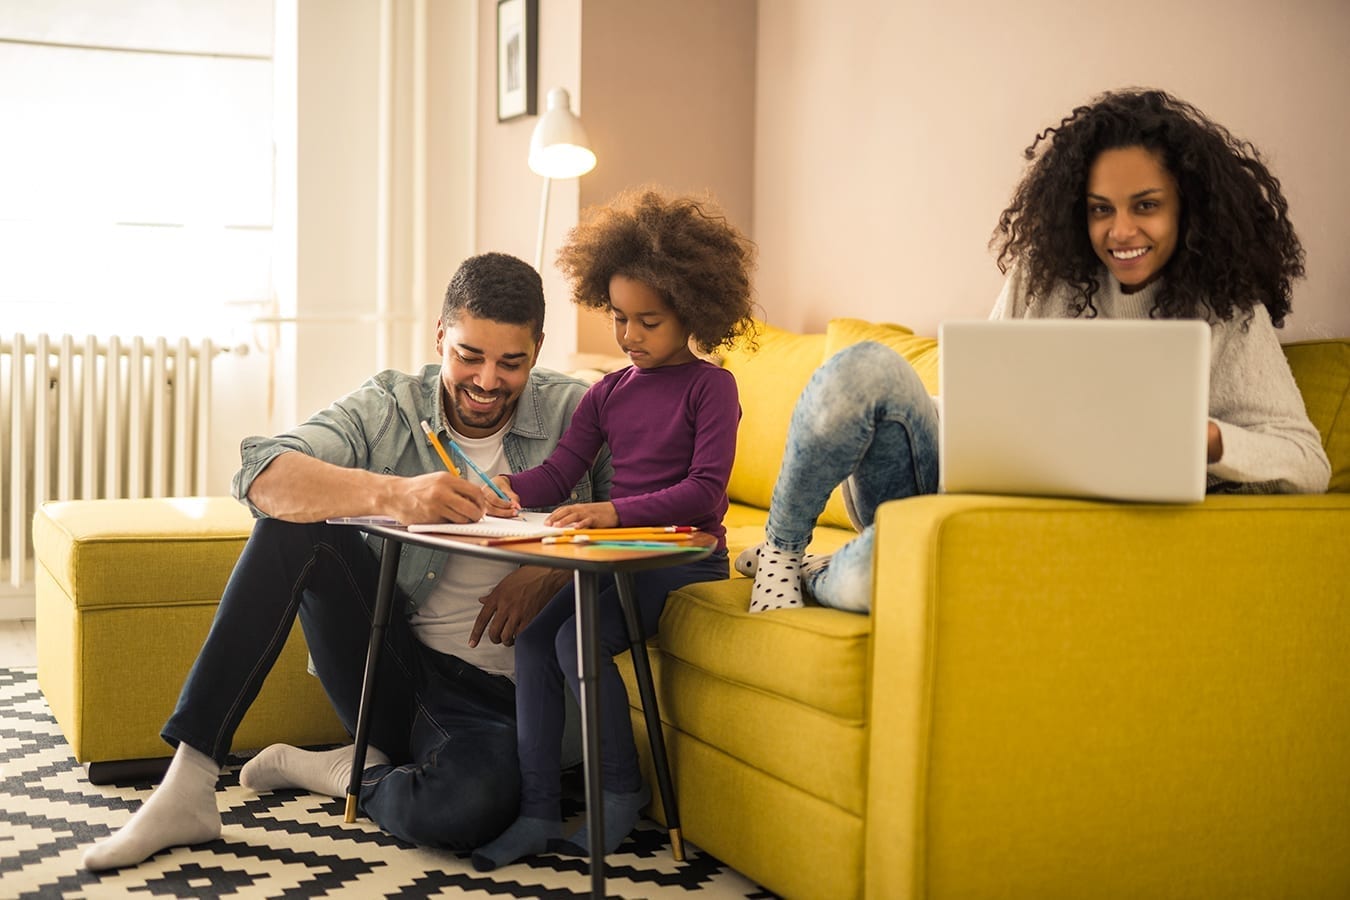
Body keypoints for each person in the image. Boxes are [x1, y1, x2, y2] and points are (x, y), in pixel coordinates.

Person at [81, 252, 614, 871]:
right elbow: (262, 473)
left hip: (512, 702)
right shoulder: (390, 404)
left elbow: (646, 521)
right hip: (395, 673)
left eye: (510, 363)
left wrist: (555, 571)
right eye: (469, 355)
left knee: (464, 810)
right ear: (440, 334)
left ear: (539, 348)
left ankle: (345, 771)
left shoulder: (584, 410)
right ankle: (189, 785)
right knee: (290, 528)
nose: (487, 381)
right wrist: (395, 494)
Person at [740, 87, 1332, 616]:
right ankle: (780, 553)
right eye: (1102, 209)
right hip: (957, 485)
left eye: (1145, 205)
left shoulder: (1226, 312)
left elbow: (1307, 462)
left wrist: (1206, 438)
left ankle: (819, 574)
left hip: (1022, 533)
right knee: (863, 366)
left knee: (889, 571)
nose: (1121, 231)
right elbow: (981, 403)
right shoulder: (1043, 276)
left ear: (1187, 206)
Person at [470, 189, 758, 871]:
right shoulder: (609, 391)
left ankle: (622, 793)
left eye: (648, 321)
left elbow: (706, 494)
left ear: (693, 310)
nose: (629, 336)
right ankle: (540, 808)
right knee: (536, 640)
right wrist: (510, 488)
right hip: (618, 555)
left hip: (680, 558)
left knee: (573, 637)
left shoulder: (711, 389)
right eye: (620, 318)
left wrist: (613, 512)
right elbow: (564, 467)